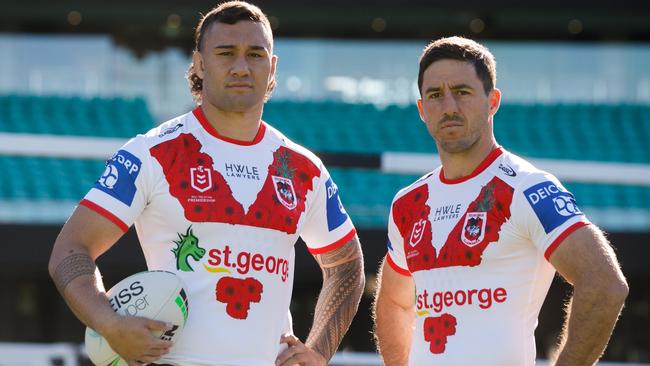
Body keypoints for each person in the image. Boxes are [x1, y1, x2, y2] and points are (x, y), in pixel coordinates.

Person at [48, 2, 365, 365]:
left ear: (272, 66)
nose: (242, 67)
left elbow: (346, 263)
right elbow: (71, 249)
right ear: (199, 64)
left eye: (255, 54)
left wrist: (319, 350)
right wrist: (109, 323)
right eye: (226, 53)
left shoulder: (302, 168)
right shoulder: (152, 153)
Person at [373, 36, 628, 366]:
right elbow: (394, 300)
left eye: (462, 92)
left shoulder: (528, 187)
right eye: (435, 95)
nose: (449, 106)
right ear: (422, 109)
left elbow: (605, 284)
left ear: (493, 101)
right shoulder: (407, 203)